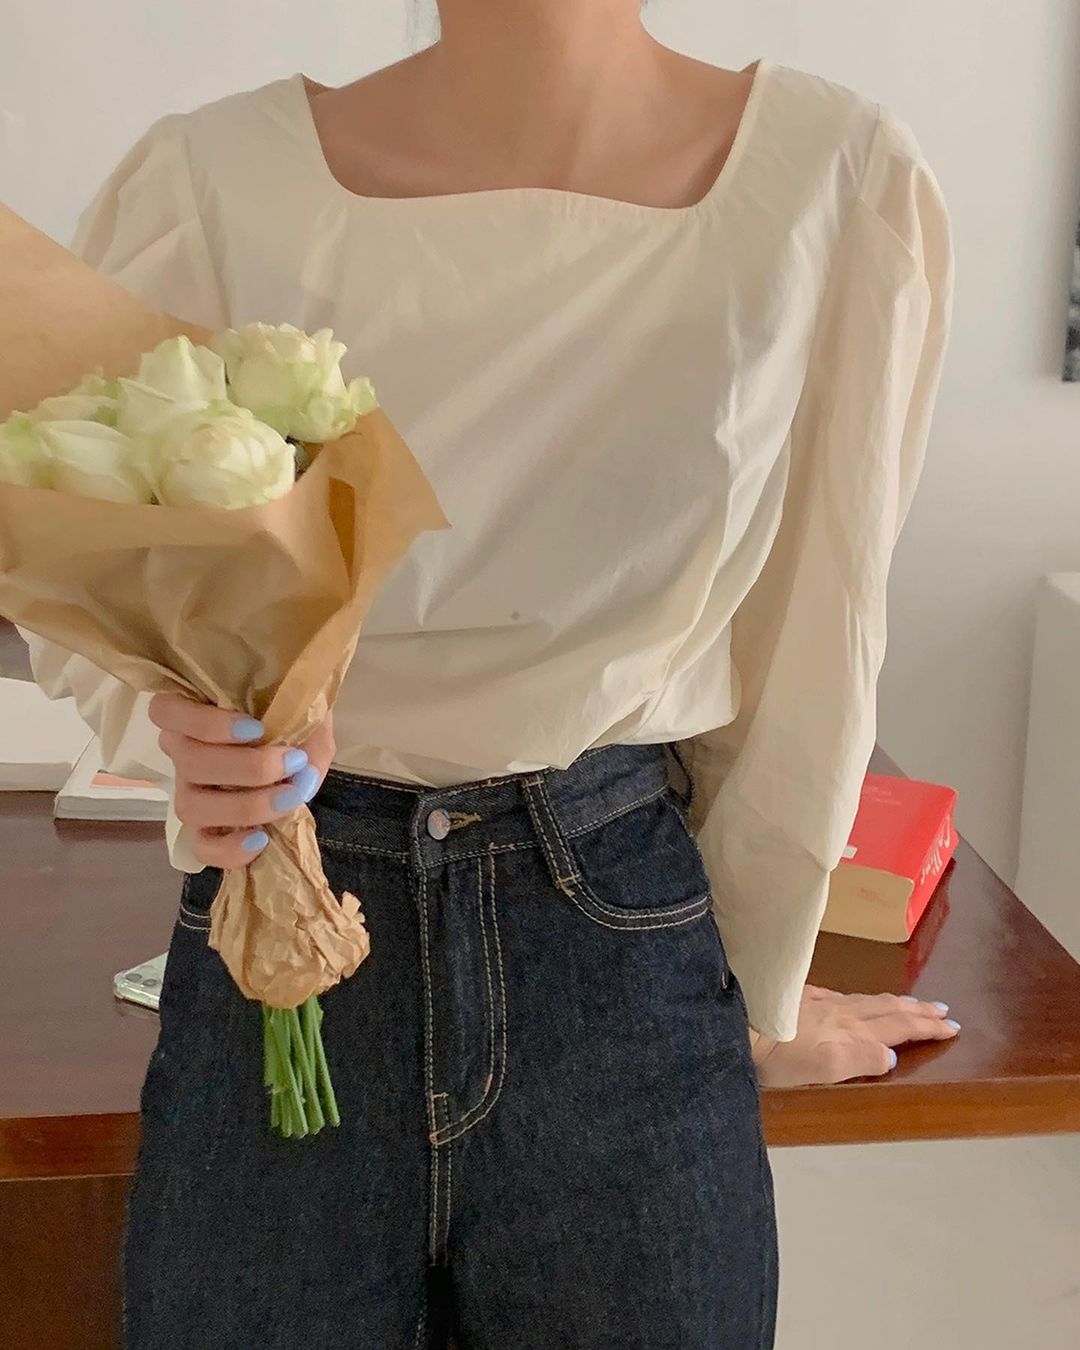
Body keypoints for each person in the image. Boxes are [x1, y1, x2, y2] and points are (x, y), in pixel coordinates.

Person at [24, 3, 960, 1346]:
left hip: (618, 936)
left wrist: (754, 980)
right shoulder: (211, 182)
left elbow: (819, 629)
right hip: (291, 910)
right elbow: (93, 573)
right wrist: (184, 731)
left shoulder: (831, 179)